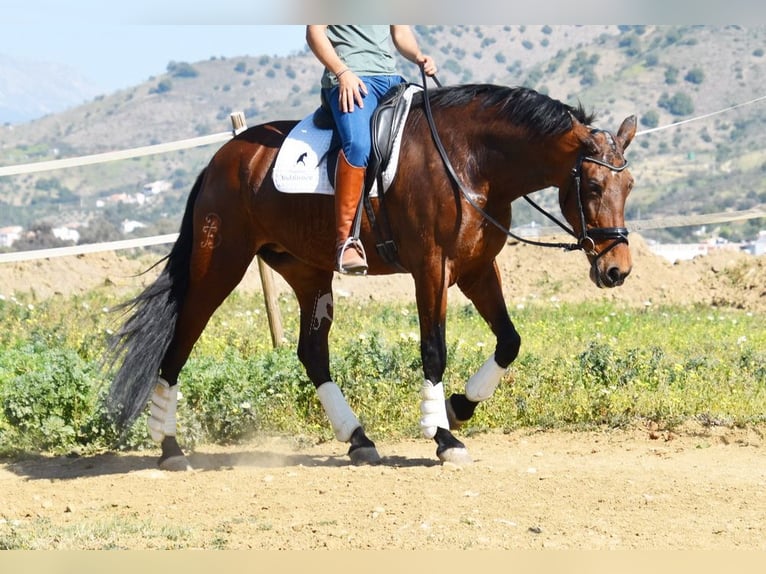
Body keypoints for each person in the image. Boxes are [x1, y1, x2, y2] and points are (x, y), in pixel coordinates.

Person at [306, 25, 438, 275]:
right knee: (358, 146)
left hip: (390, 80)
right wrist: (342, 72)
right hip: (349, 80)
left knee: (425, 136)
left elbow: (400, 33)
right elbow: (314, 33)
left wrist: (419, 56)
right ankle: (346, 243)